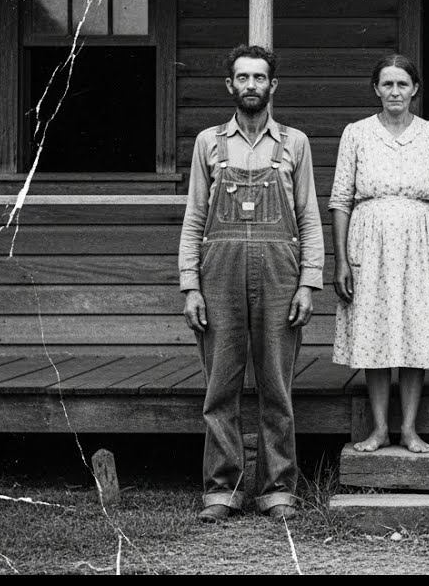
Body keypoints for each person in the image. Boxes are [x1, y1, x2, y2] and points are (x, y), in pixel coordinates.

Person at [179, 44, 323, 522]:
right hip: (219, 270)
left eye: (259, 78)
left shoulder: (294, 143)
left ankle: (277, 488)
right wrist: (190, 285)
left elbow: (308, 217)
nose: (251, 86)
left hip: (280, 270)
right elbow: (195, 216)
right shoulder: (209, 143)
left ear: (272, 86)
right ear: (230, 85)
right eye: (242, 78)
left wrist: (308, 283)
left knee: (276, 384)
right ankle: (222, 488)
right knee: (221, 385)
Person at [330, 54, 429, 454]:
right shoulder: (356, 133)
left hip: (422, 245)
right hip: (368, 243)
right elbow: (340, 200)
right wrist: (341, 260)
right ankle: (380, 429)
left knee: (415, 333)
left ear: (415, 89)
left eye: (402, 84)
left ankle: (409, 429)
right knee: (376, 333)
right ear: (376, 89)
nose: (395, 92)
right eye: (387, 84)